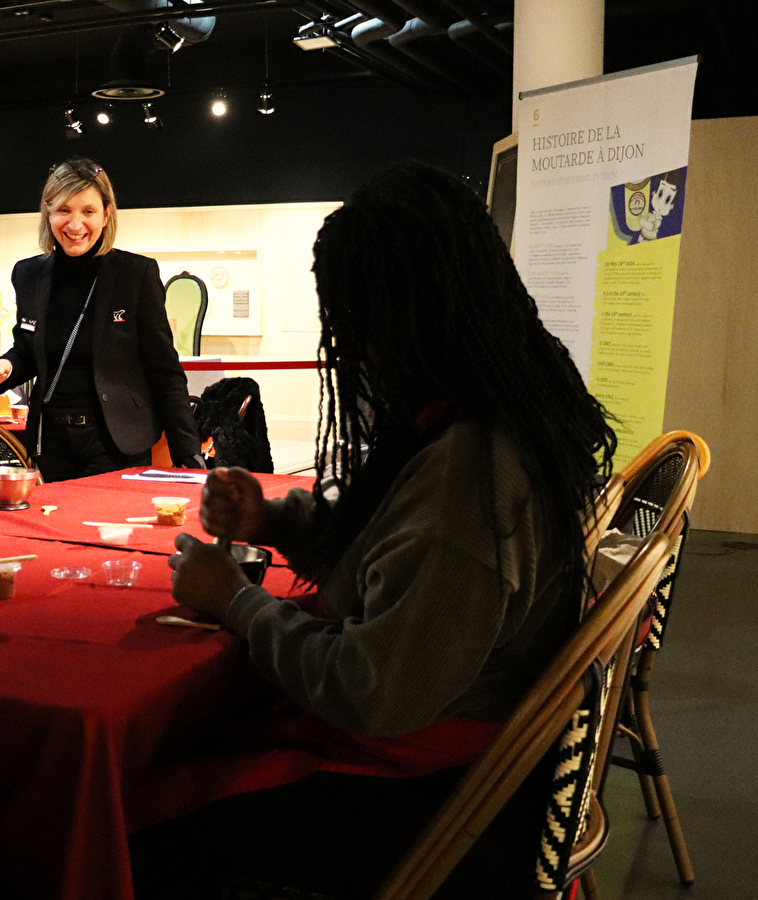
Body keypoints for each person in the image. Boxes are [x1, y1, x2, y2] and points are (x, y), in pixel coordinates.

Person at [140, 162, 618, 898]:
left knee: (139, 814)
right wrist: (274, 519)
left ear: (401, 318)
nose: (354, 352)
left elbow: (372, 690)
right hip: (455, 748)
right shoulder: (488, 417)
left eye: (357, 324)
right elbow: (391, 556)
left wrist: (235, 601)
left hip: (430, 797)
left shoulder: (470, 479)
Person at [0, 158, 202, 481]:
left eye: (88, 211)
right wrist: (6, 367)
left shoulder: (135, 275)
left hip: (116, 442)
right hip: (50, 442)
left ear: (106, 214)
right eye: (64, 210)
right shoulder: (28, 274)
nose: (75, 224)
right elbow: (28, 350)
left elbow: (164, 370)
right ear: (48, 212)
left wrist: (189, 455)